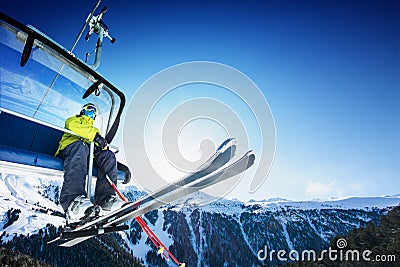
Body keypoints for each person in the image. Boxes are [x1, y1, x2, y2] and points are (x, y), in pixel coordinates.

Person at [55, 103, 125, 225]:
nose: (91, 113)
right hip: (70, 150)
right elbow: (73, 127)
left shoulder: (94, 130)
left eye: (94, 112)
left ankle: (105, 199)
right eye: (89, 109)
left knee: (108, 156)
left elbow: (96, 146)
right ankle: (72, 201)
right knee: (80, 146)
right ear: (83, 111)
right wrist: (96, 137)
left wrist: (102, 146)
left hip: (86, 153)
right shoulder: (74, 120)